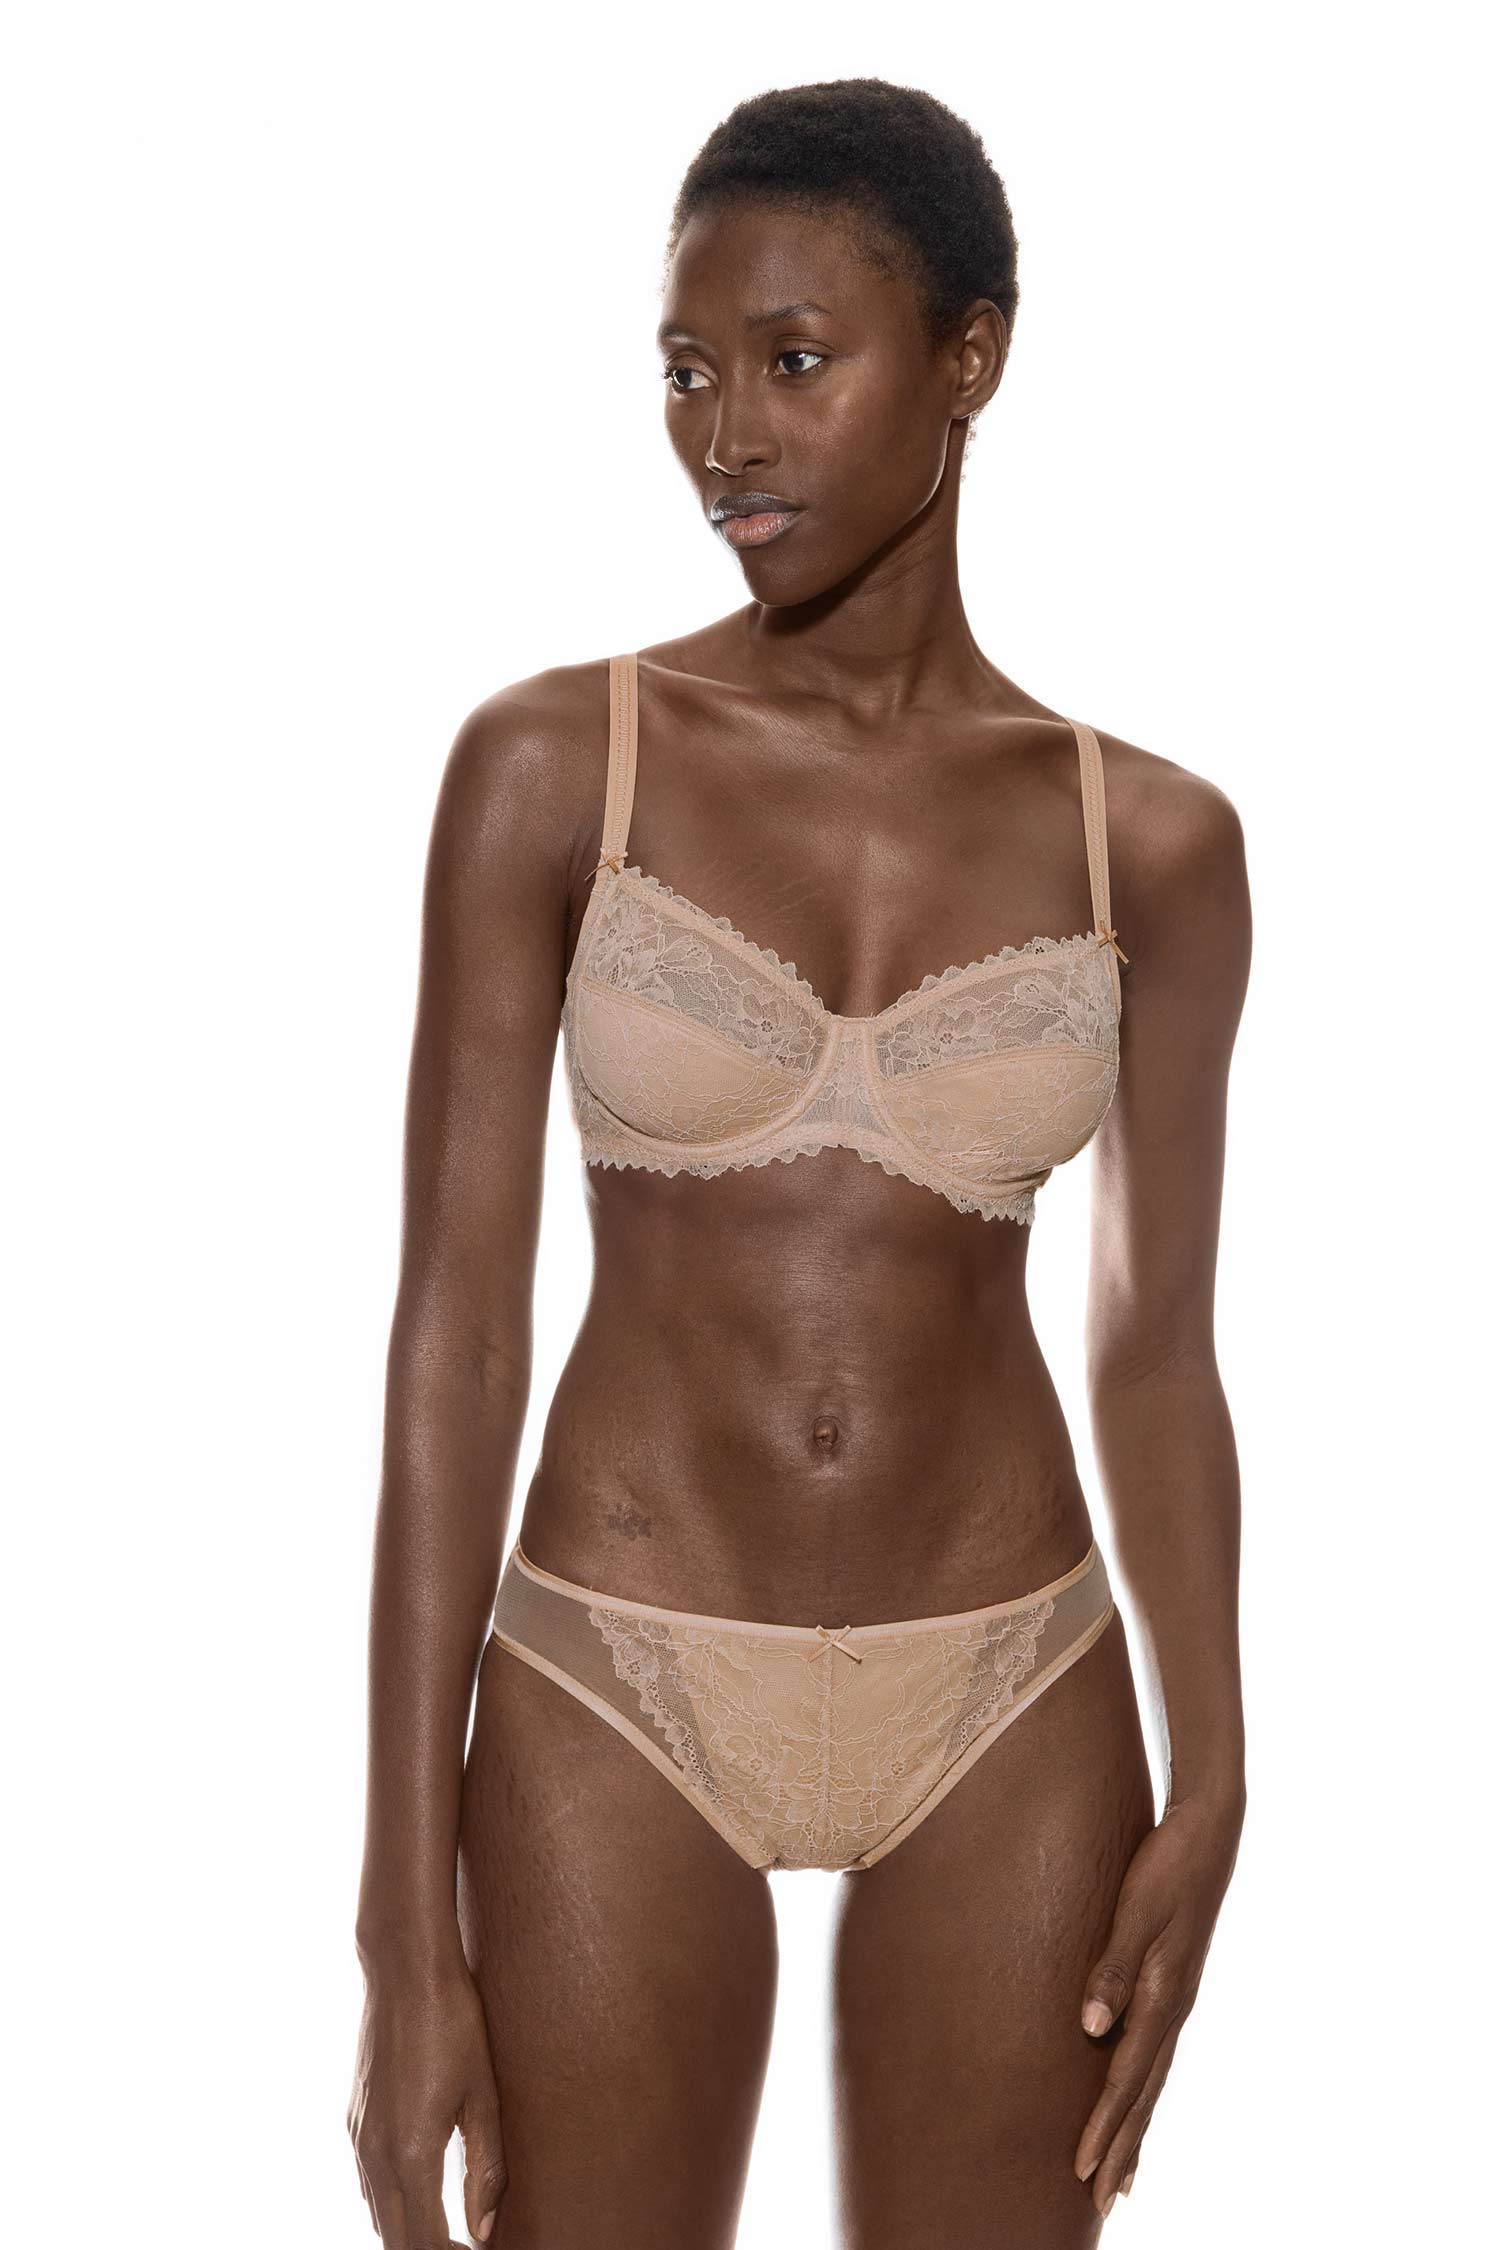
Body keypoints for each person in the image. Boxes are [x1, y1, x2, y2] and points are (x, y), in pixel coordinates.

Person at [348, 76, 1251, 2249]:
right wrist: (398, 1928)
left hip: (1013, 1680)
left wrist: (1218, 1766)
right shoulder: (554, 766)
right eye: (686, 369)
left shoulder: (1153, 841)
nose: (725, 437)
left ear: (971, 359)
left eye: (794, 360)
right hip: (616, 1668)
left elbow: (1155, 1346)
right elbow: (458, 1337)